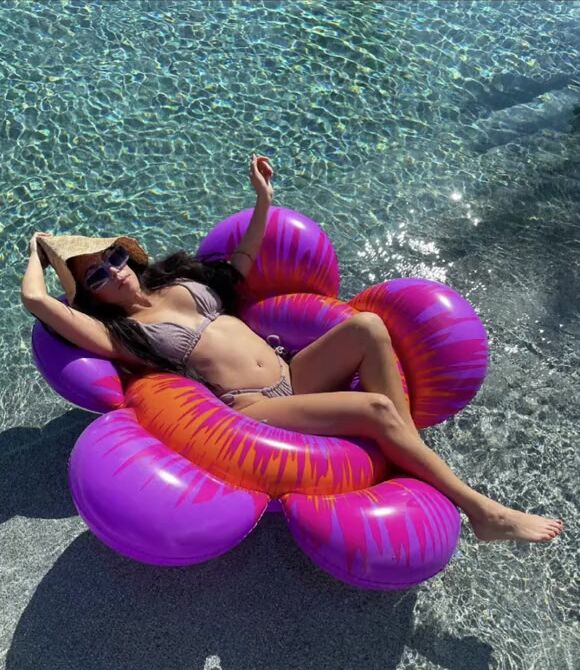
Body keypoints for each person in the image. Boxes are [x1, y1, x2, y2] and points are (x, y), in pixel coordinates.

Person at [21, 154, 563, 544]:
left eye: (113, 258)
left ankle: (408, 453)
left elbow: (240, 264)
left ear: (127, 255)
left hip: (293, 374)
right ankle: (481, 511)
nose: (112, 273)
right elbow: (36, 300)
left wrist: (262, 200)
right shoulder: (121, 334)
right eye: (95, 277)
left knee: (368, 326)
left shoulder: (175, 280)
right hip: (254, 408)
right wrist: (38, 250)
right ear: (89, 297)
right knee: (375, 408)